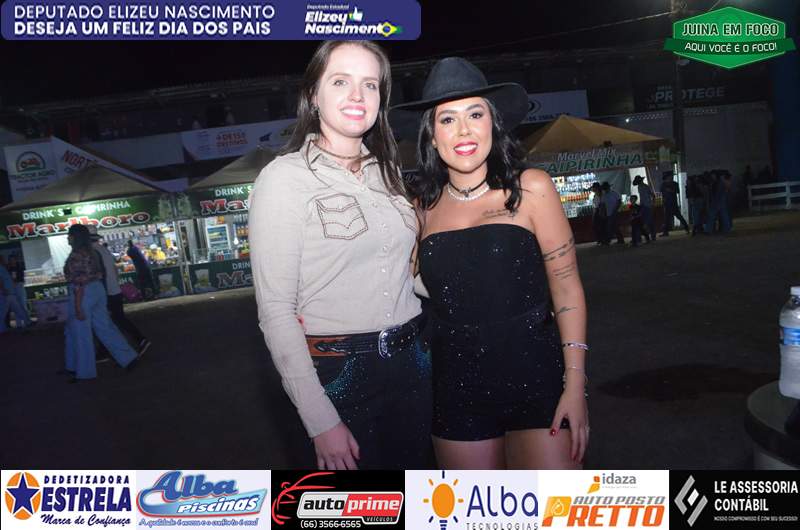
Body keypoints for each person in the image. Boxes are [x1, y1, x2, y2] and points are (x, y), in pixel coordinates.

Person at [395, 57, 589, 469]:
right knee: (475, 506)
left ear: (493, 124)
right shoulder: (418, 211)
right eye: (448, 119)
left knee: (556, 504)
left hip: (537, 380)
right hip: (455, 389)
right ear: (432, 137)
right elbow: (391, 289)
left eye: (475, 114)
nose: (463, 130)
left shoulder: (532, 189)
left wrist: (575, 383)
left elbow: (567, 289)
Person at [248, 40, 432, 470]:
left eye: (370, 84)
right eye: (340, 81)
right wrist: (320, 420)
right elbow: (276, 311)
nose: (357, 95)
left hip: (413, 362)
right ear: (313, 95)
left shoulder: (388, 173)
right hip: (339, 375)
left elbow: (407, 273)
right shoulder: (283, 180)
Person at [63, 224, 139, 382]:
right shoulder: (93, 253)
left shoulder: (77, 255)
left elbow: (79, 282)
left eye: (69, 235)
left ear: (75, 237)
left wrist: (77, 305)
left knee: (81, 333)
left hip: (83, 292)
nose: (67, 238)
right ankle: (128, 357)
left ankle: (84, 371)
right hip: (97, 289)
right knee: (105, 327)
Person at [90, 227, 151, 355]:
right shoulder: (104, 250)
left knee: (110, 321)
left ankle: (136, 343)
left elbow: (102, 274)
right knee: (114, 320)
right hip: (114, 290)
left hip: (107, 292)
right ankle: (105, 350)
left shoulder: (94, 253)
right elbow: (115, 270)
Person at [1, 254, 31, 330]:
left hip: (11, 291)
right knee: (6, 310)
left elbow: (20, 278)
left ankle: (26, 322)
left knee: (18, 307)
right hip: (8, 292)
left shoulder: (6, 268)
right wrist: (3, 289)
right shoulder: (5, 268)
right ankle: (23, 323)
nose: (5, 261)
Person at [660, 171, 690, 236]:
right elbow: (662, 194)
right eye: (670, 176)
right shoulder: (663, 184)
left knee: (679, 216)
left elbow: (678, 191)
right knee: (667, 219)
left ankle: (687, 228)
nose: (671, 177)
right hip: (667, 204)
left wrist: (671, 191)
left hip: (673, 203)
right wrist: (663, 201)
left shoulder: (674, 184)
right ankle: (665, 232)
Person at [632, 175, 656, 242]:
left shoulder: (643, 187)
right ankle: (651, 236)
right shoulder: (643, 186)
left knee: (647, 222)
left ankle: (649, 236)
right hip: (645, 205)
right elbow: (652, 195)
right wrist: (653, 203)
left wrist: (652, 203)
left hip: (646, 206)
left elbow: (652, 195)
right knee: (648, 221)